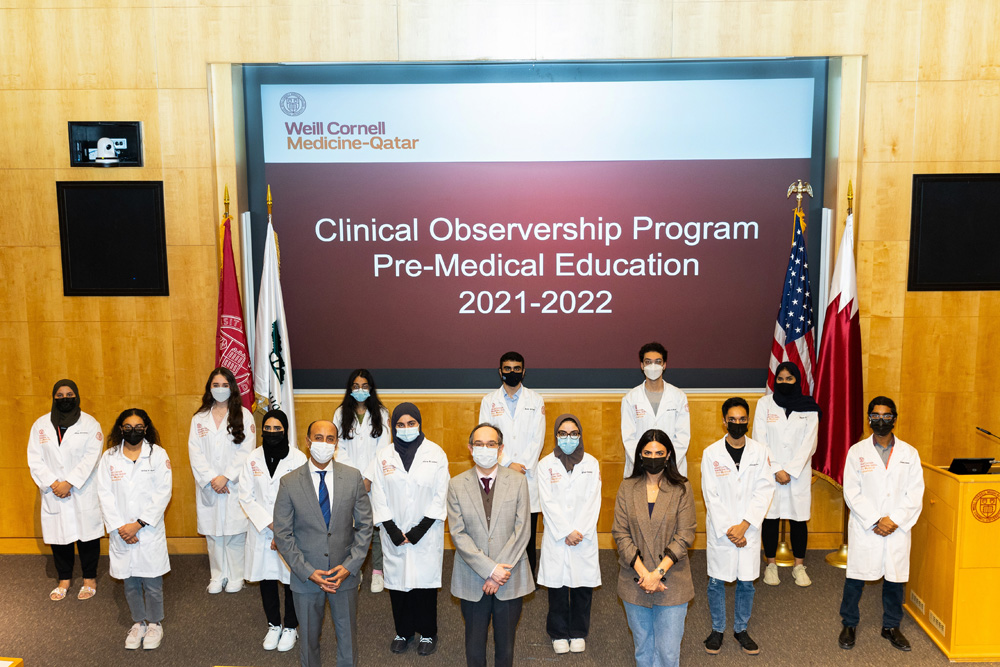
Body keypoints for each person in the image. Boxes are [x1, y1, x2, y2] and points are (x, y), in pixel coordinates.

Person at [273, 420, 373, 667]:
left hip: (344, 574)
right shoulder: (289, 482)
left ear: (336, 444)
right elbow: (283, 535)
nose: (324, 444)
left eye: (330, 439)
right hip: (306, 576)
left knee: (347, 638)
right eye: (318, 438)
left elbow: (365, 526)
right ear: (308, 442)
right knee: (308, 641)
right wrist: (308, 571)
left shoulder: (352, 477)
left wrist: (350, 566)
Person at [838, 397, 924, 652]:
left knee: (895, 579)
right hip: (868, 526)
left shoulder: (909, 453)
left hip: (896, 527)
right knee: (856, 577)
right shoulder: (857, 452)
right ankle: (849, 623)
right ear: (869, 419)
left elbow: (915, 492)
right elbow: (852, 492)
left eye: (887, 416)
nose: (881, 420)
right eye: (876, 415)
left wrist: (893, 520)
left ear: (895, 419)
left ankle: (891, 626)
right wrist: (876, 520)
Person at [448, 423, 534, 667]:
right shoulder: (456, 484)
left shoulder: (518, 481)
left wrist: (498, 573)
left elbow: (522, 530)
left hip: (510, 575)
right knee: (474, 649)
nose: (484, 449)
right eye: (479, 444)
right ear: (470, 448)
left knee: (505, 647)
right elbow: (458, 533)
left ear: (500, 449)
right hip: (472, 577)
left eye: (491, 444)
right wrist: (489, 569)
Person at [369, 403, 449, 656]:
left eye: (411, 423)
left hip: (425, 532)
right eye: (400, 425)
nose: (406, 429)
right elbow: (378, 494)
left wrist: (418, 530)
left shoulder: (436, 453)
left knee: (423, 585)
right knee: (398, 585)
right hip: (393, 532)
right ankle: (402, 631)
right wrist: (392, 529)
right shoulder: (383, 456)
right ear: (393, 427)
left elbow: (440, 495)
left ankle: (428, 633)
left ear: (419, 424)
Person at [613, 429, 696, 667]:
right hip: (635, 579)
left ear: (668, 454)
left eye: (659, 452)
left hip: (672, 580)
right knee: (644, 651)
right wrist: (644, 574)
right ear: (639, 455)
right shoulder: (627, 488)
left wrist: (657, 573)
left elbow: (685, 534)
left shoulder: (682, 488)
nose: (653, 457)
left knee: (668, 654)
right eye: (648, 452)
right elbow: (620, 533)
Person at [700, 397, 775, 655]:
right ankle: (717, 629)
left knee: (746, 582)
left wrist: (745, 525)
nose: (737, 424)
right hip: (723, 532)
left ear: (748, 421)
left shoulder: (761, 452)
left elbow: (765, 490)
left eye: (742, 420)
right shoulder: (711, 454)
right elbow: (711, 496)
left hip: (749, 530)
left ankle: (741, 629)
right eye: (732, 420)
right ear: (724, 422)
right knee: (716, 581)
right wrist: (730, 530)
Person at [96, 409, 172, 650]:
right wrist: (120, 527)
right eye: (127, 426)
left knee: (151, 581)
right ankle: (138, 622)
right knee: (129, 581)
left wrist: (138, 524)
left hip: (147, 530)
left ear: (146, 428)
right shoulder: (109, 457)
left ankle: (155, 623)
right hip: (121, 532)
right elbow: (104, 494)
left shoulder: (158, 455)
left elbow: (163, 493)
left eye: (138, 426)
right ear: (120, 429)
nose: (133, 431)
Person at [27, 379, 104, 601]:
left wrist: (69, 482)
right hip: (54, 491)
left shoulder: (90, 424)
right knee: (59, 536)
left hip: (81, 489)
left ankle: (89, 578)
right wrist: (54, 483)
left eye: (69, 394)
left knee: (87, 536)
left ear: (77, 395)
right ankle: (64, 579)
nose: (64, 399)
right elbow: (35, 459)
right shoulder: (40, 425)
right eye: (59, 395)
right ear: (53, 398)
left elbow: (92, 457)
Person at [239, 408, 307, 652]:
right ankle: (273, 625)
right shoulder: (252, 458)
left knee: (290, 579)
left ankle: (291, 626)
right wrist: (271, 525)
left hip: (289, 530)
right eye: (267, 429)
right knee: (266, 577)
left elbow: (302, 497)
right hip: (262, 530)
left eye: (277, 429)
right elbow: (246, 496)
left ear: (285, 430)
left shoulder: (298, 459)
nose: (271, 432)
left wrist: (282, 530)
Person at [537, 414, 602, 654]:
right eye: (563, 433)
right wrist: (565, 531)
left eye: (573, 433)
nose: (568, 438)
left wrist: (579, 531)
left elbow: (593, 501)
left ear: (580, 435)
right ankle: (558, 633)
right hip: (558, 536)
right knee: (558, 588)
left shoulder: (591, 464)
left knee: (582, 587)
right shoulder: (545, 465)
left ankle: (578, 631)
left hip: (583, 537)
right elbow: (547, 502)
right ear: (556, 436)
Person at [188, 366, 256, 594]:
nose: (220, 389)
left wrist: (226, 477)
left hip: (233, 484)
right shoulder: (199, 419)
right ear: (209, 388)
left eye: (224, 385)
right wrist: (211, 479)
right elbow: (195, 452)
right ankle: (217, 575)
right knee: (214, 533)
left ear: (232, 388)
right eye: (215, 385)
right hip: (210, 486)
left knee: (236, 532)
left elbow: (247, 450)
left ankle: (237, 576)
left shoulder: (244, 415)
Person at [753, 361, 821, 587]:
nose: (784, 383)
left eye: (788, 379)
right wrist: (776, 469)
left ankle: (799, 566)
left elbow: (809, 443)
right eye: (780, 379)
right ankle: (770, 565)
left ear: (797, 380)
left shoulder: (809, 407)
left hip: (798, 474)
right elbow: (759, 438)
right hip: (770, 472)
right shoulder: (765, 404)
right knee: (770, 519)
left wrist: (790, 470)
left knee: (798, 520)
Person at [478, 351, 546, 575]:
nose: (512, 372)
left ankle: (528, 578)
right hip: (500, 472)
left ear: (524, 372)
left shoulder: (536, 400)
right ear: (500, 372)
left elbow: (538, 438)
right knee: (501, 530)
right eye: (507, 369)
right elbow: (485, 439)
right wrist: (507, 463)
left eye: (517, 368)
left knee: (527, 531)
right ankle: (501, 573)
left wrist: (522, 466)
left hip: (527, 474)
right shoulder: (489, 401)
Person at [333, 369, 391, 593]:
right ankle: (353, 570)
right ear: (350, 389)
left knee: (374, 526)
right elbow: (337, 447)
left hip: (374, 481)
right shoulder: (340, 414)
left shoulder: (382, 413)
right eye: (355, 386)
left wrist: (367, 477)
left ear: (371, 388)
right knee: (351, 528)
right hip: (348, 480)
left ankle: (378, 571)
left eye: (364, 386)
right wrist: (356, 478)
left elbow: (383, 448)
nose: (360, 390)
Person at [621, 342, 691, 477]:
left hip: (671, 467)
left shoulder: (679, 397)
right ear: (642, 366)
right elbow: (628, 438)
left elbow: (683, 436)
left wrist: (665, 461)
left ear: (664, 365)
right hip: (641, 467)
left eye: (658, 362)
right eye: (648, 362)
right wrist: (646, 461)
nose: (653, 366)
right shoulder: (630, 398)